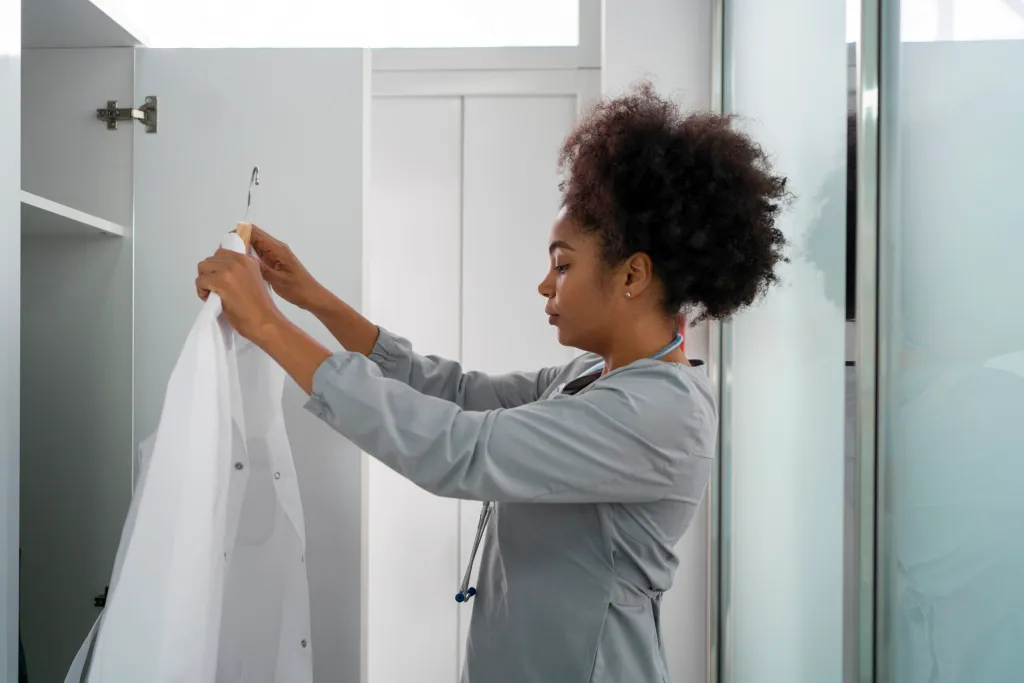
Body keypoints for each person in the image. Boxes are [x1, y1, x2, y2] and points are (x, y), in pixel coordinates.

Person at [195, 83, 789, 683]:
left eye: (563, 265)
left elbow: (461, 449)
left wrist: (268, 325)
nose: (545, 286)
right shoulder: (590, 377)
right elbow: (454, 393)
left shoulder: (661, 414)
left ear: (633, 273)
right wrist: (313, 299)